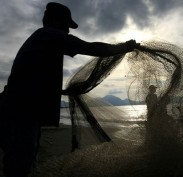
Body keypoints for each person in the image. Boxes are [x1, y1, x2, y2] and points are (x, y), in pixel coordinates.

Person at [0, 2, 138, 177]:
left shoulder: (43, 40)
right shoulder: (48, 35)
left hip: (19, 109)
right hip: (19, 112)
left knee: (23, 163)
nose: (68, 30)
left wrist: (62, 92)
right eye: (66, 25)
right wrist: (124, 47)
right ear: (55, 21)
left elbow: (33, 80)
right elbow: (89, 47)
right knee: (19, 168)